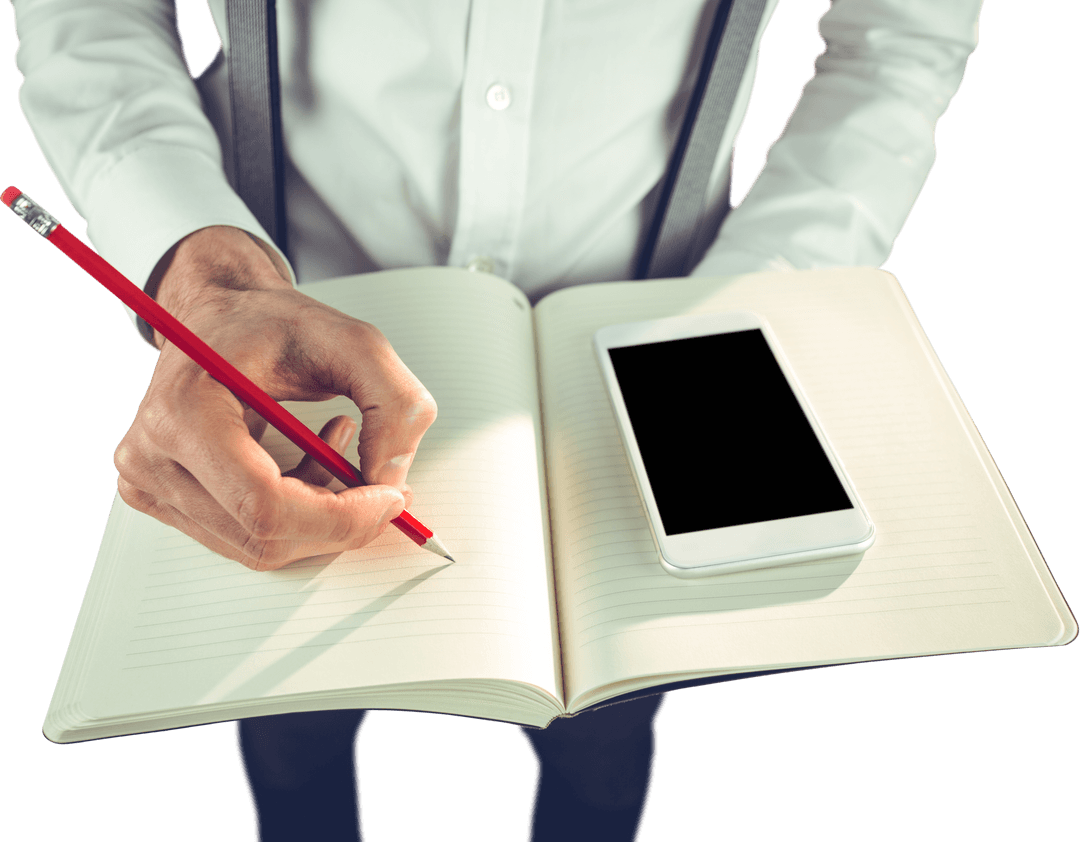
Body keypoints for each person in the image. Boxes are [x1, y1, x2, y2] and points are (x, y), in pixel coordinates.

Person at [10, 0, 983, 839]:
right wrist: (205, 274)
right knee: (289, 728)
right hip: (291, 363)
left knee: (604, 741)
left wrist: (748, 306)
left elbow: (901, 38)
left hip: (653, 343)